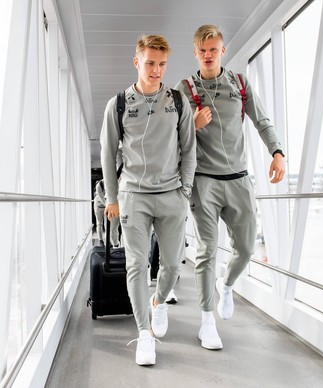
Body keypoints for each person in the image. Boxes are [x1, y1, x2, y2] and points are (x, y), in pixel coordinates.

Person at [175, 25, 285, 350]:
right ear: (195, 53)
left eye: (214, 50)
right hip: (204, 183)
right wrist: (191, 126)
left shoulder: (240, 84)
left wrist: (277, 152)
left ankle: (227, 284)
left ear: (222, 50)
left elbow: (262, 121)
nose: (208, 56)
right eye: (202, 51)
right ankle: (207, 321)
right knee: (206, 251)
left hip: (238, 179)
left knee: (248, 248)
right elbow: (169, 140)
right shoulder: (184, 90)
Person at [100, 34, 196, 366]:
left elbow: (189, 150)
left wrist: (185, 192)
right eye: (150, 63)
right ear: (137, 61)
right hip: (133, 197)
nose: (156, 70)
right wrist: (112, 198)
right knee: (137, 265)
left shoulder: (179, 101)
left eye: (162, 64)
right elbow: (107, 153)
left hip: (171, 196)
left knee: (171, 265)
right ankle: (144, 334)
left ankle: (157, 303)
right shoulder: (119, 104)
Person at [93, 179, 120, 247]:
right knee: (99, 223)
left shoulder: (115, 184)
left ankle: (108, 241)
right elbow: (102, 198)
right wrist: (111, 206)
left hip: (107, 205)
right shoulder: (99, 185)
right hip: (99, 206)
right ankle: (100, 241)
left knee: (107, 224)